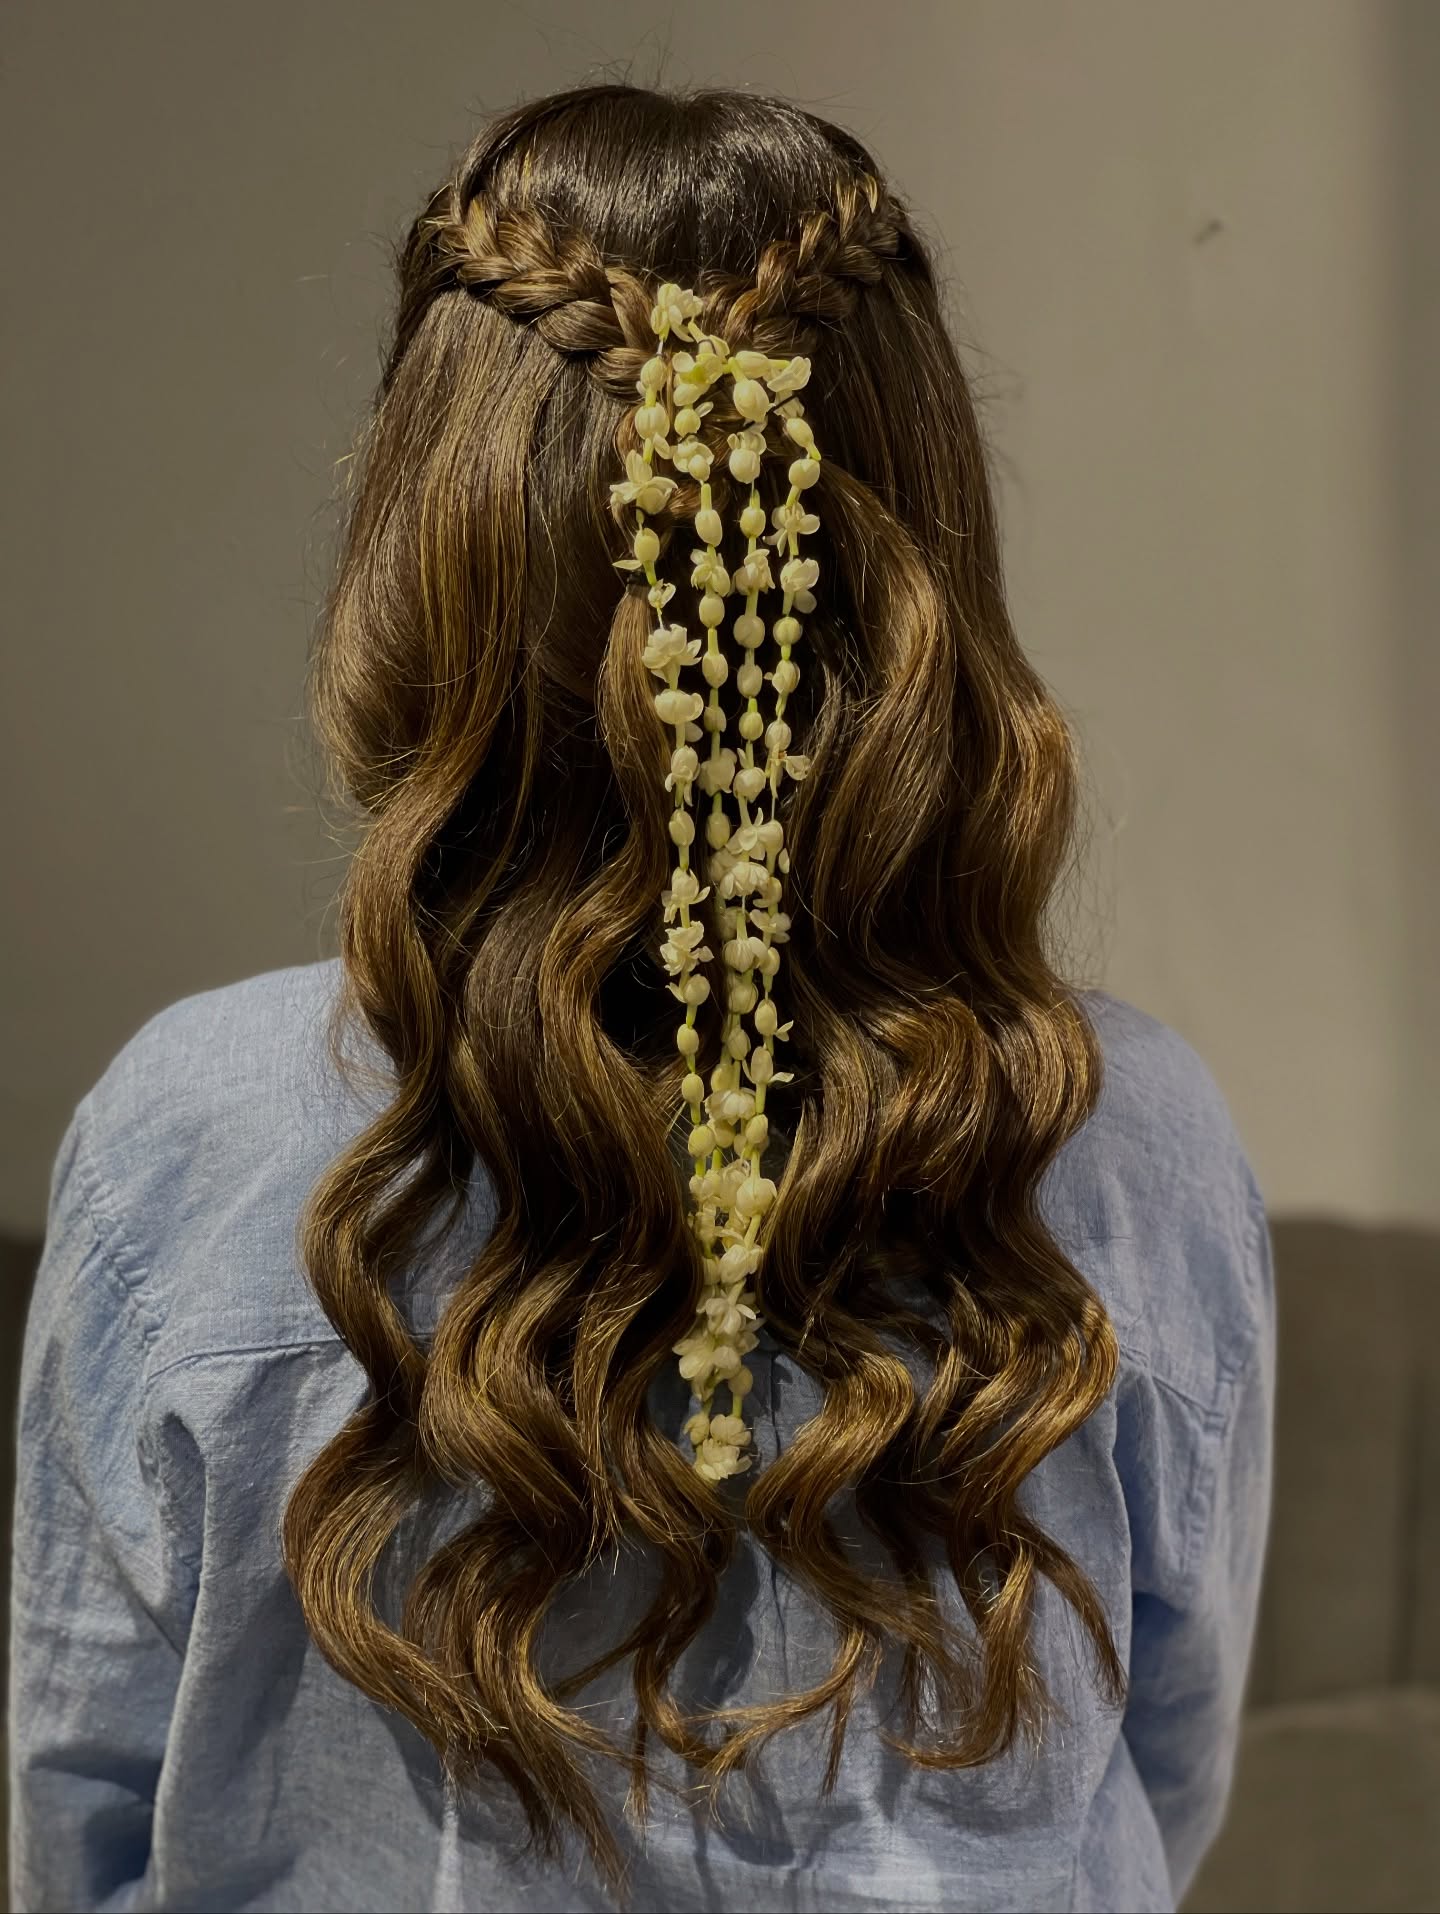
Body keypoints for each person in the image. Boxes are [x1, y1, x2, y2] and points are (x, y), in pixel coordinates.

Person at [8, 83, 1275, 1914]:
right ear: (915, 551)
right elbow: (1163, 1770)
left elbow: (85, 1813)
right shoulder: (1127, 1136)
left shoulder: (188, 1128)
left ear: (429, 537)